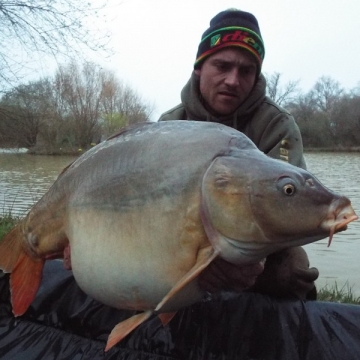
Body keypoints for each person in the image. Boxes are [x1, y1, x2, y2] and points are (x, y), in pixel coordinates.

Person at [159, 8, 319, 300]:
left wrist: (237, 259)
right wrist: (202, 255)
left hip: (255, 246)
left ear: (256, 76)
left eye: (246, 71)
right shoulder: (170, 126)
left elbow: (286, 209)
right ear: (199, 67)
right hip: (184, 238)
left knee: (293, 268)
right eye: (222, 66)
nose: (233, 81)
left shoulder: (276, 124)